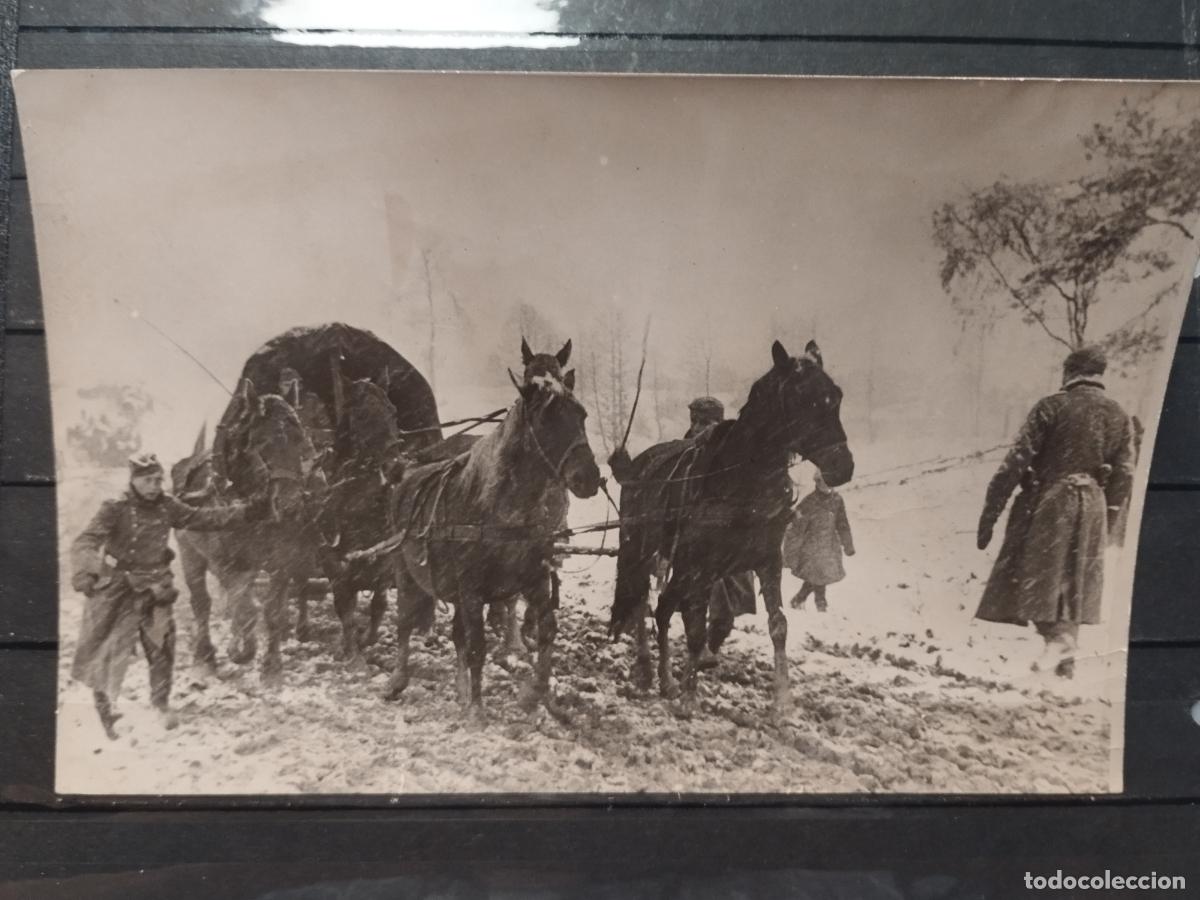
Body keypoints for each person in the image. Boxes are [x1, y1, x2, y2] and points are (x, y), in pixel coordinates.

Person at [70, 452, 264, 738]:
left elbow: (202, 518)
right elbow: (87, 540)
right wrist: (85, 571)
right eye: (148, 480)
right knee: (107, 648)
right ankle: (106, 708)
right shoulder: (115, 508)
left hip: (155, 585)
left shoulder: (167, 506)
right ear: (134, 480)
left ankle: (159, 704)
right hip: (116, 587)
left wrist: (245, 511)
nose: (154, 486)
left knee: (162, 648)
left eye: (158, 480)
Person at [974, 345, 1135, 679]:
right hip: (1094, 505)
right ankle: (1064, 665)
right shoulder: (1119, 415)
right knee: (1073, 576)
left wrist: (990, 513)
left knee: (1036, 572)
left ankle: (1058, 640)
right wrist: (1109, 513)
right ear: (1098, 375)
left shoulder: (1050, 407)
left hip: (1051, 501)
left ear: (1069, 372)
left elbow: (1014, 464)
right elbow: (1125, 474)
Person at [680, 396, 758, 664]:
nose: (699, 428)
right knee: (704, 593)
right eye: (695, 422)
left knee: (729, 600)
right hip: (693, 538)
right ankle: (702, 646)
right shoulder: (683, 453)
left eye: (706, 422)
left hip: (727, 538)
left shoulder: (733, 455)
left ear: (719, 423)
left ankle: (712, 643)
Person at [783, 470, 855, 611]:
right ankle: (820, 603)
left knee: (819, 574)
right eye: (823, 482)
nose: (827, 486)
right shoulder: (809, 502)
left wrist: (848, 544)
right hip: (811, 546)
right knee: (818, 574)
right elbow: (797, 524)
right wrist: (791, 547)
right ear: (817, 482)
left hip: (829, 545)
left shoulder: (837, 500)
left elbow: (842, 523)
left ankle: (800, 599)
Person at [279, 367, 334, 464]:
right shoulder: (275, 405)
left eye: (295, 384)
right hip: (284, 462)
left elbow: (330, 435)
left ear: (300, 385)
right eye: (287, 385)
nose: (292, 388)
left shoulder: (311, 401)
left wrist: (312, 433)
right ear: (280, 386)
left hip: (312, 458)